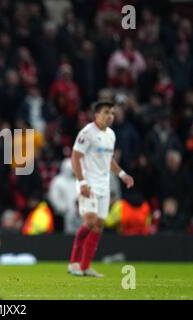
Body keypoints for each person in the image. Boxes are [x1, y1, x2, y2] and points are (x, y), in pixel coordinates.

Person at [67, 101, 134, 277]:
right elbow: (75, 156)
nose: (110, 116)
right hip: (88, 183)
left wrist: (122, 174)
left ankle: (85, 266)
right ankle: (73, 262)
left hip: (103, 185)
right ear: (97, 115)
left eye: (112, 112)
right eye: (106, 112)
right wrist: (81, 182)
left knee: (98, 225)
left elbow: (108, 159)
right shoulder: (87, 133)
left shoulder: (111, 135)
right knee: (89, 221)